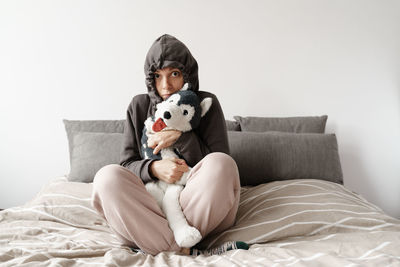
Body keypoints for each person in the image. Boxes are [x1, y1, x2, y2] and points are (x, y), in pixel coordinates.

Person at [91, 34, 247, 256]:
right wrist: (154, 169)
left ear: (188, 75)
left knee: (222, 164)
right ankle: (183, 249)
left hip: (199, 209)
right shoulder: (138, 106)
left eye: (174, 74)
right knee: (106, 177)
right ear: (150, 79)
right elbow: (127, 164)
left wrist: (180, 137)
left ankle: (164, 246)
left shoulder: (206, 104)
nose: (166, 85)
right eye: (157, 76)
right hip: (149, 209)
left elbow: (218, 169)